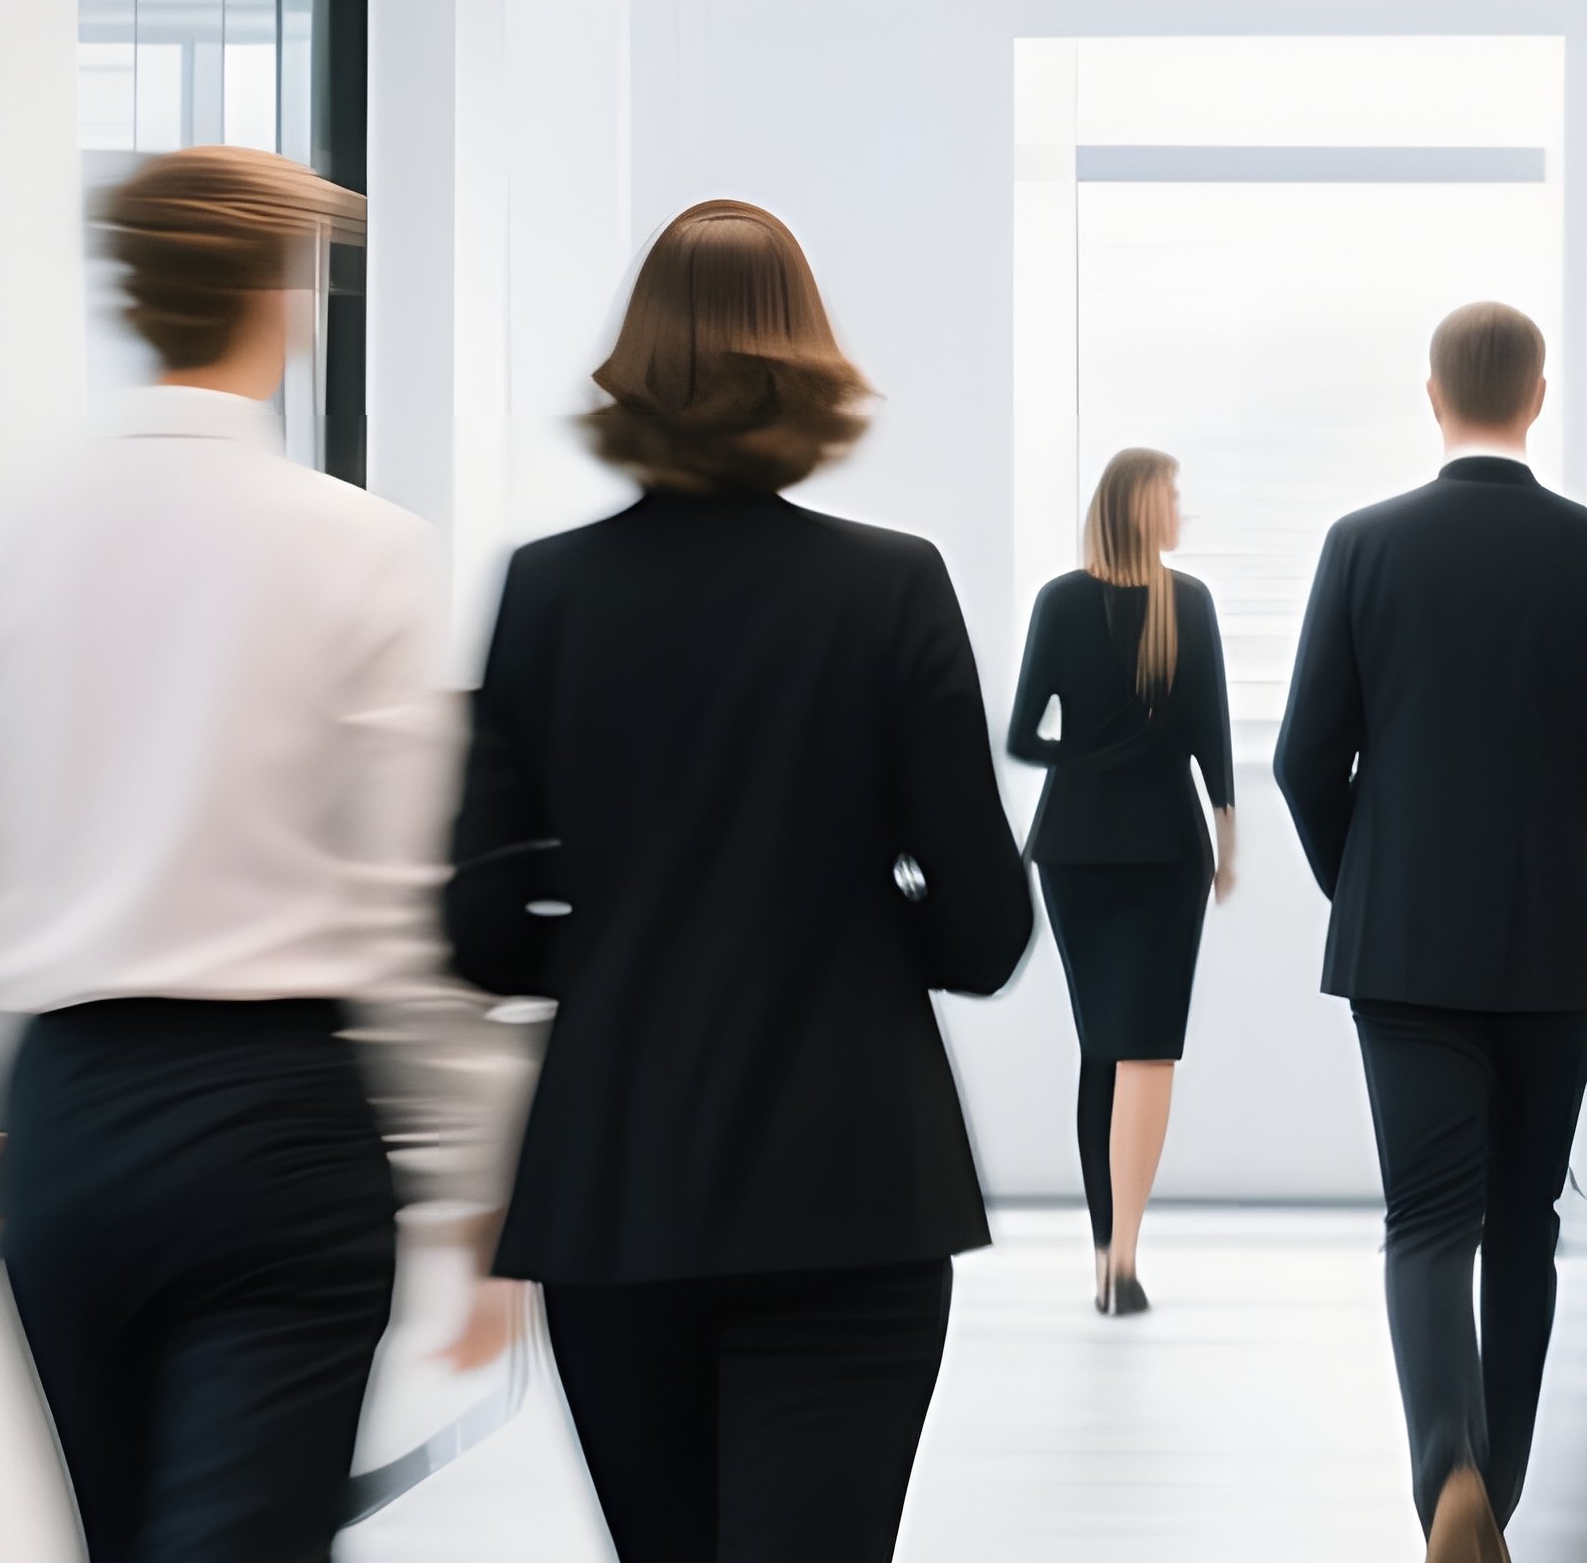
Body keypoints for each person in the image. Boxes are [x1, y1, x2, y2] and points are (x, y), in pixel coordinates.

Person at [0, 145, 507, 1563]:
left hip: (74, 1119)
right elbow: (409, 909)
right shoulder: (364, 549)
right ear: (282, 297)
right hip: (283, 1123)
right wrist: (476, 1168)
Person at [443, 199, 1034, 1563]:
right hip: (854, 1183)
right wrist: (840, 913)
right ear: (806, 365)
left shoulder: (545, 592)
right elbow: (988, 932)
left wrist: (622, 943)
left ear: (635, 368)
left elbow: (475, 929)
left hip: (620, 1183)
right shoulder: (890, 589)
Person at [1277, 302, 1587, 1563]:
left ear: (1433, 394)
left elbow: (1305, 759)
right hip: (1564, 948)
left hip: (1404, 945)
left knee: (1427, 1222)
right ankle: (1495, 1499)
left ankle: (1443, 1473)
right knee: (1527, 1222)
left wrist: (1368, 881)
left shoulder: (1364, 544)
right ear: (1540, 394)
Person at [1008, 449, 1236, 1316]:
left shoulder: (1172, 601)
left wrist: (1221, 824)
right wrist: (1218, 822)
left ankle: (1115, 1253)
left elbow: (1035, 740)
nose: (1180, 506)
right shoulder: (1078, 601)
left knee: (1119, 1044)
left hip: (1090, 844)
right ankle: (1118, 1255)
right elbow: (1025, 733)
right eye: (1171, 493)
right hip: (1137, 848)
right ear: (1137, 505)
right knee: (1130, 1044)